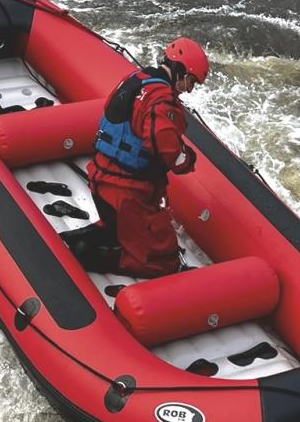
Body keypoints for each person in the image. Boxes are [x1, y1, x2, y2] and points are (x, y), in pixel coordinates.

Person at [72, 37, 210, 277]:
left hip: (100, 179)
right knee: (162, 260)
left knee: (118, 230)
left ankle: (79, 240)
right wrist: (189, 159)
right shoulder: (161, 99)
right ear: (179, 70)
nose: (189, 89)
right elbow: (168, 152)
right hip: (127, 192)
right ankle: (91, 257)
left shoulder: (136, 80)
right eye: (190, 81)